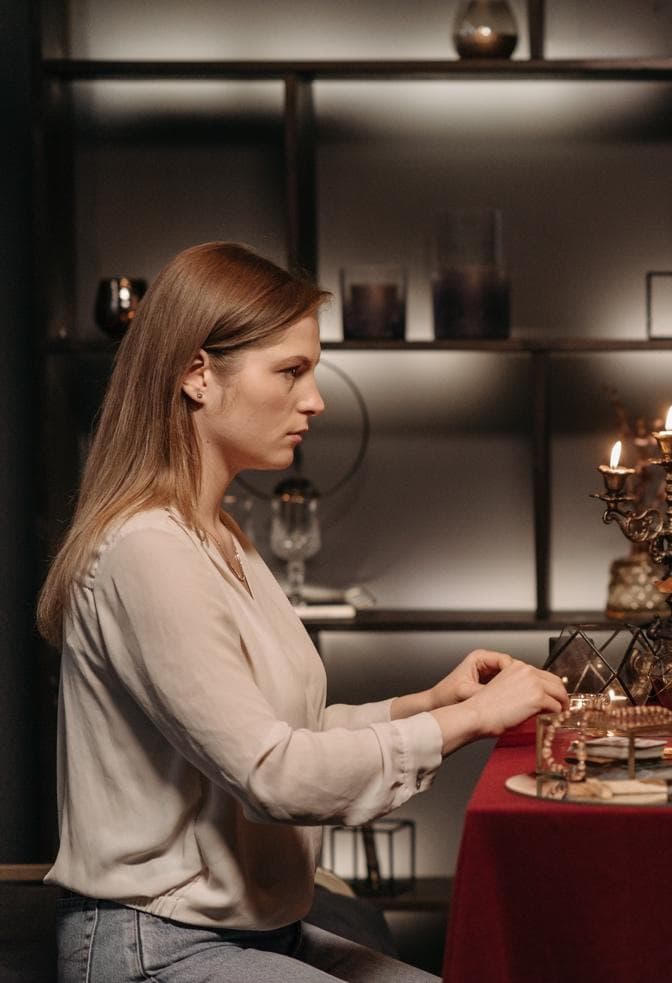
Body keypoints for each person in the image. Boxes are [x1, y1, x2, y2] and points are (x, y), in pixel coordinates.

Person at [36, 242, 569, 983]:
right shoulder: (147, 551)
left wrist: (429, 703)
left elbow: (282, 733)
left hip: (256, 934)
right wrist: (471, 720)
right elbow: (275, 775)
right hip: (152, 946)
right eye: (290, 371)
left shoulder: (220, 536)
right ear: (196, 374)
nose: (315, 399)